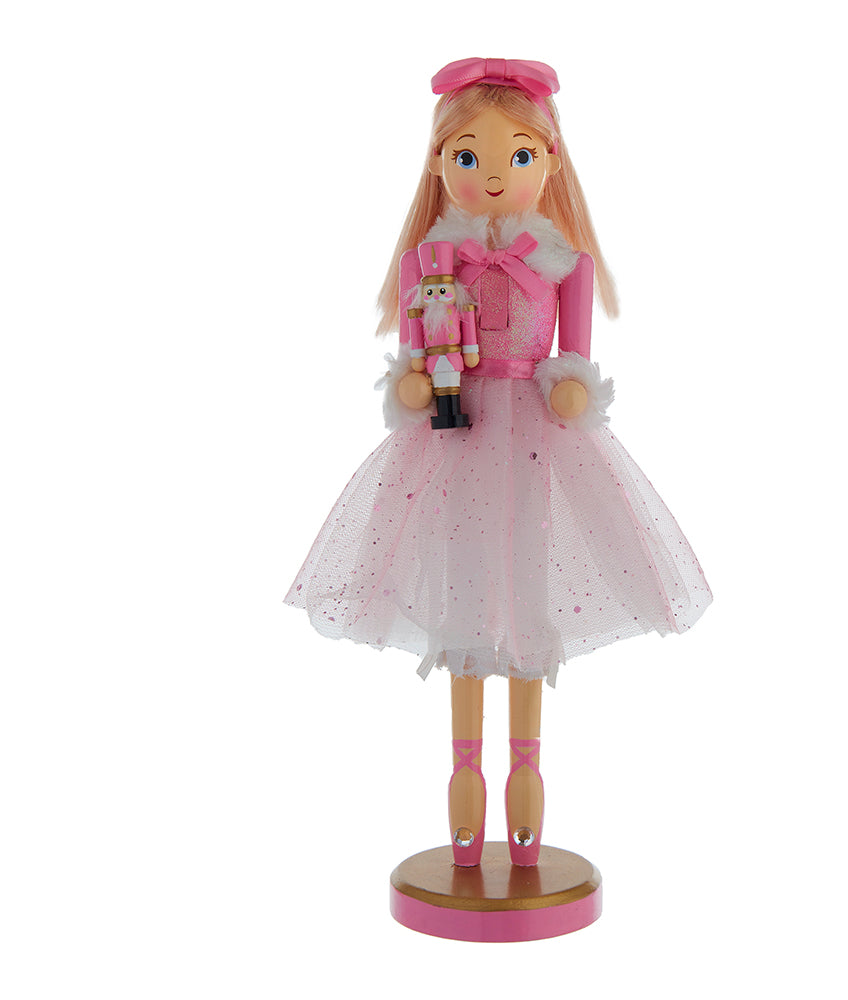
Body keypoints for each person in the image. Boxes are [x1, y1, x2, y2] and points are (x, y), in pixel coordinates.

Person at [285, 58, 712, 867]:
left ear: (549, 162)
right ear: (439, 162)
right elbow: (413, 356)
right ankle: (464, 784)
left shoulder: (565, 265)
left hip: (535, 438)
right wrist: (412, 383)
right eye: (467, 155)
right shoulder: (427, 263)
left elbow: (575, 360)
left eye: (516, 155)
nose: (490, 174)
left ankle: (524, 785)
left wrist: (573, 389)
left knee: (528, 589)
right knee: (461, 592)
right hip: (452, 432)